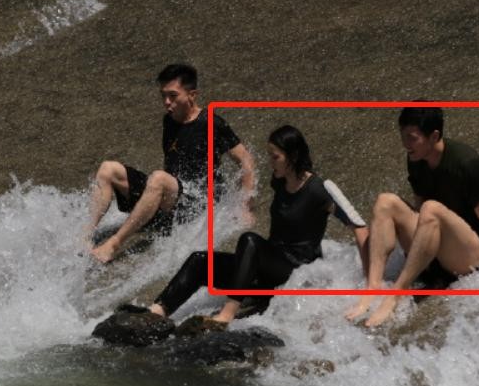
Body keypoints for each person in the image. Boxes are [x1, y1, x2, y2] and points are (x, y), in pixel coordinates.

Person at [146, 125, 368, 326]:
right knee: (200, 261)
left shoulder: (320, 189)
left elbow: (359, 226)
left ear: (293, 156)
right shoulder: (279, 181)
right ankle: (156, 312)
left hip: (295, 270)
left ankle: (227, 314)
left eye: (275, 157)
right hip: (268, 268)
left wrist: (369, 283)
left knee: (250, 241)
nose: (270, 162)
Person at [345, 106, 479, 327]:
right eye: (403, 136)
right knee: (385, 201)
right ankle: (373, 287)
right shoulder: (416, 158)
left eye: (412, 138)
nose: (405, 144)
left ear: (433, 136)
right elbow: (418, 207)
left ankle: (395, 294)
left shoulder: (467, 163)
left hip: (470, 254)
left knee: (431, 209)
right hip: (438, 248)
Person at [87, 64, 256, 263]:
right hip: (170, 198)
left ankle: (113, 244)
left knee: (158, 179)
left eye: (173, 96)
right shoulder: (169, 120)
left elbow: (246, 160)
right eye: (163, 96)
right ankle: (85, 237)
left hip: (196, 206)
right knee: (108, 169)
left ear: (192, 95)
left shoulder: (211, 123)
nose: (167, 102)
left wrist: (244, 206)